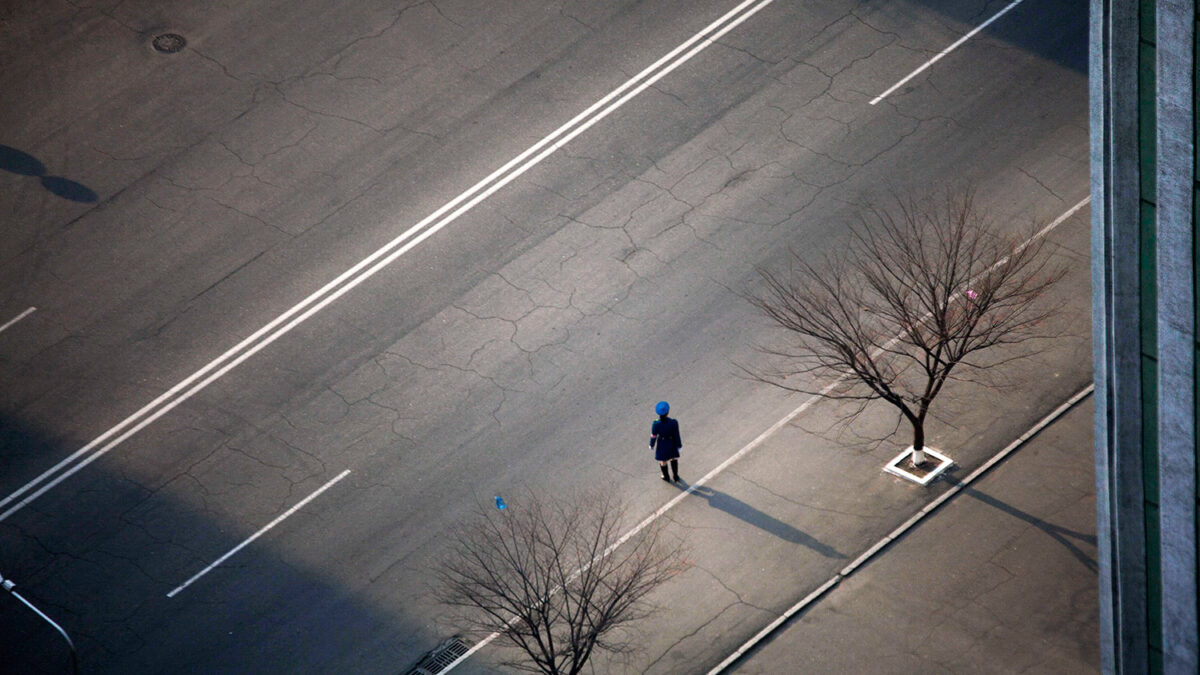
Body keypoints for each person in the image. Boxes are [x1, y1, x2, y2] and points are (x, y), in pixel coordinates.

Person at [649, 401, 682, 482]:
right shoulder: (673, 422)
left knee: (663, 461)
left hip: (662, 443)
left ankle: (666, 476)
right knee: (673, 458)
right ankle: (675, 476)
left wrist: (651, 445)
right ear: (668, 412)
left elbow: (653, 436)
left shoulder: (656, 424)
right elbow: (677, 435)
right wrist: (679, 445)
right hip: (671, 442)